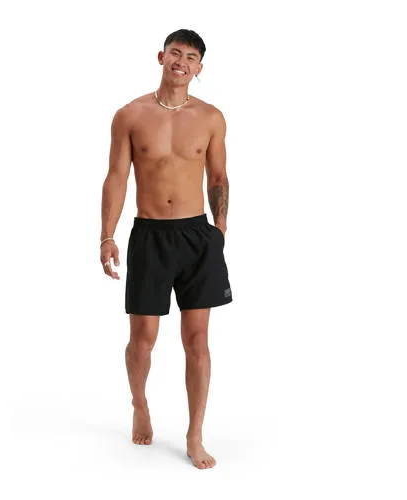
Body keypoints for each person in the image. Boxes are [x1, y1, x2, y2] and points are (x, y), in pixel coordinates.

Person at [100, 29, 232, 470]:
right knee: (143, 341)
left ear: (199, 68)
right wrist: (107, 235)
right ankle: (139, 403)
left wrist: (220, 230)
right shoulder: (130, 115)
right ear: (161, 57)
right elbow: (117, 177)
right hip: (150, 236)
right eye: (175, 52)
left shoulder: (211, 117)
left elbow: (218, 176)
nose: (182, 61)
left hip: (197, 236)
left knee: (198, 341)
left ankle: (195, 433)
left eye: (191, 56)